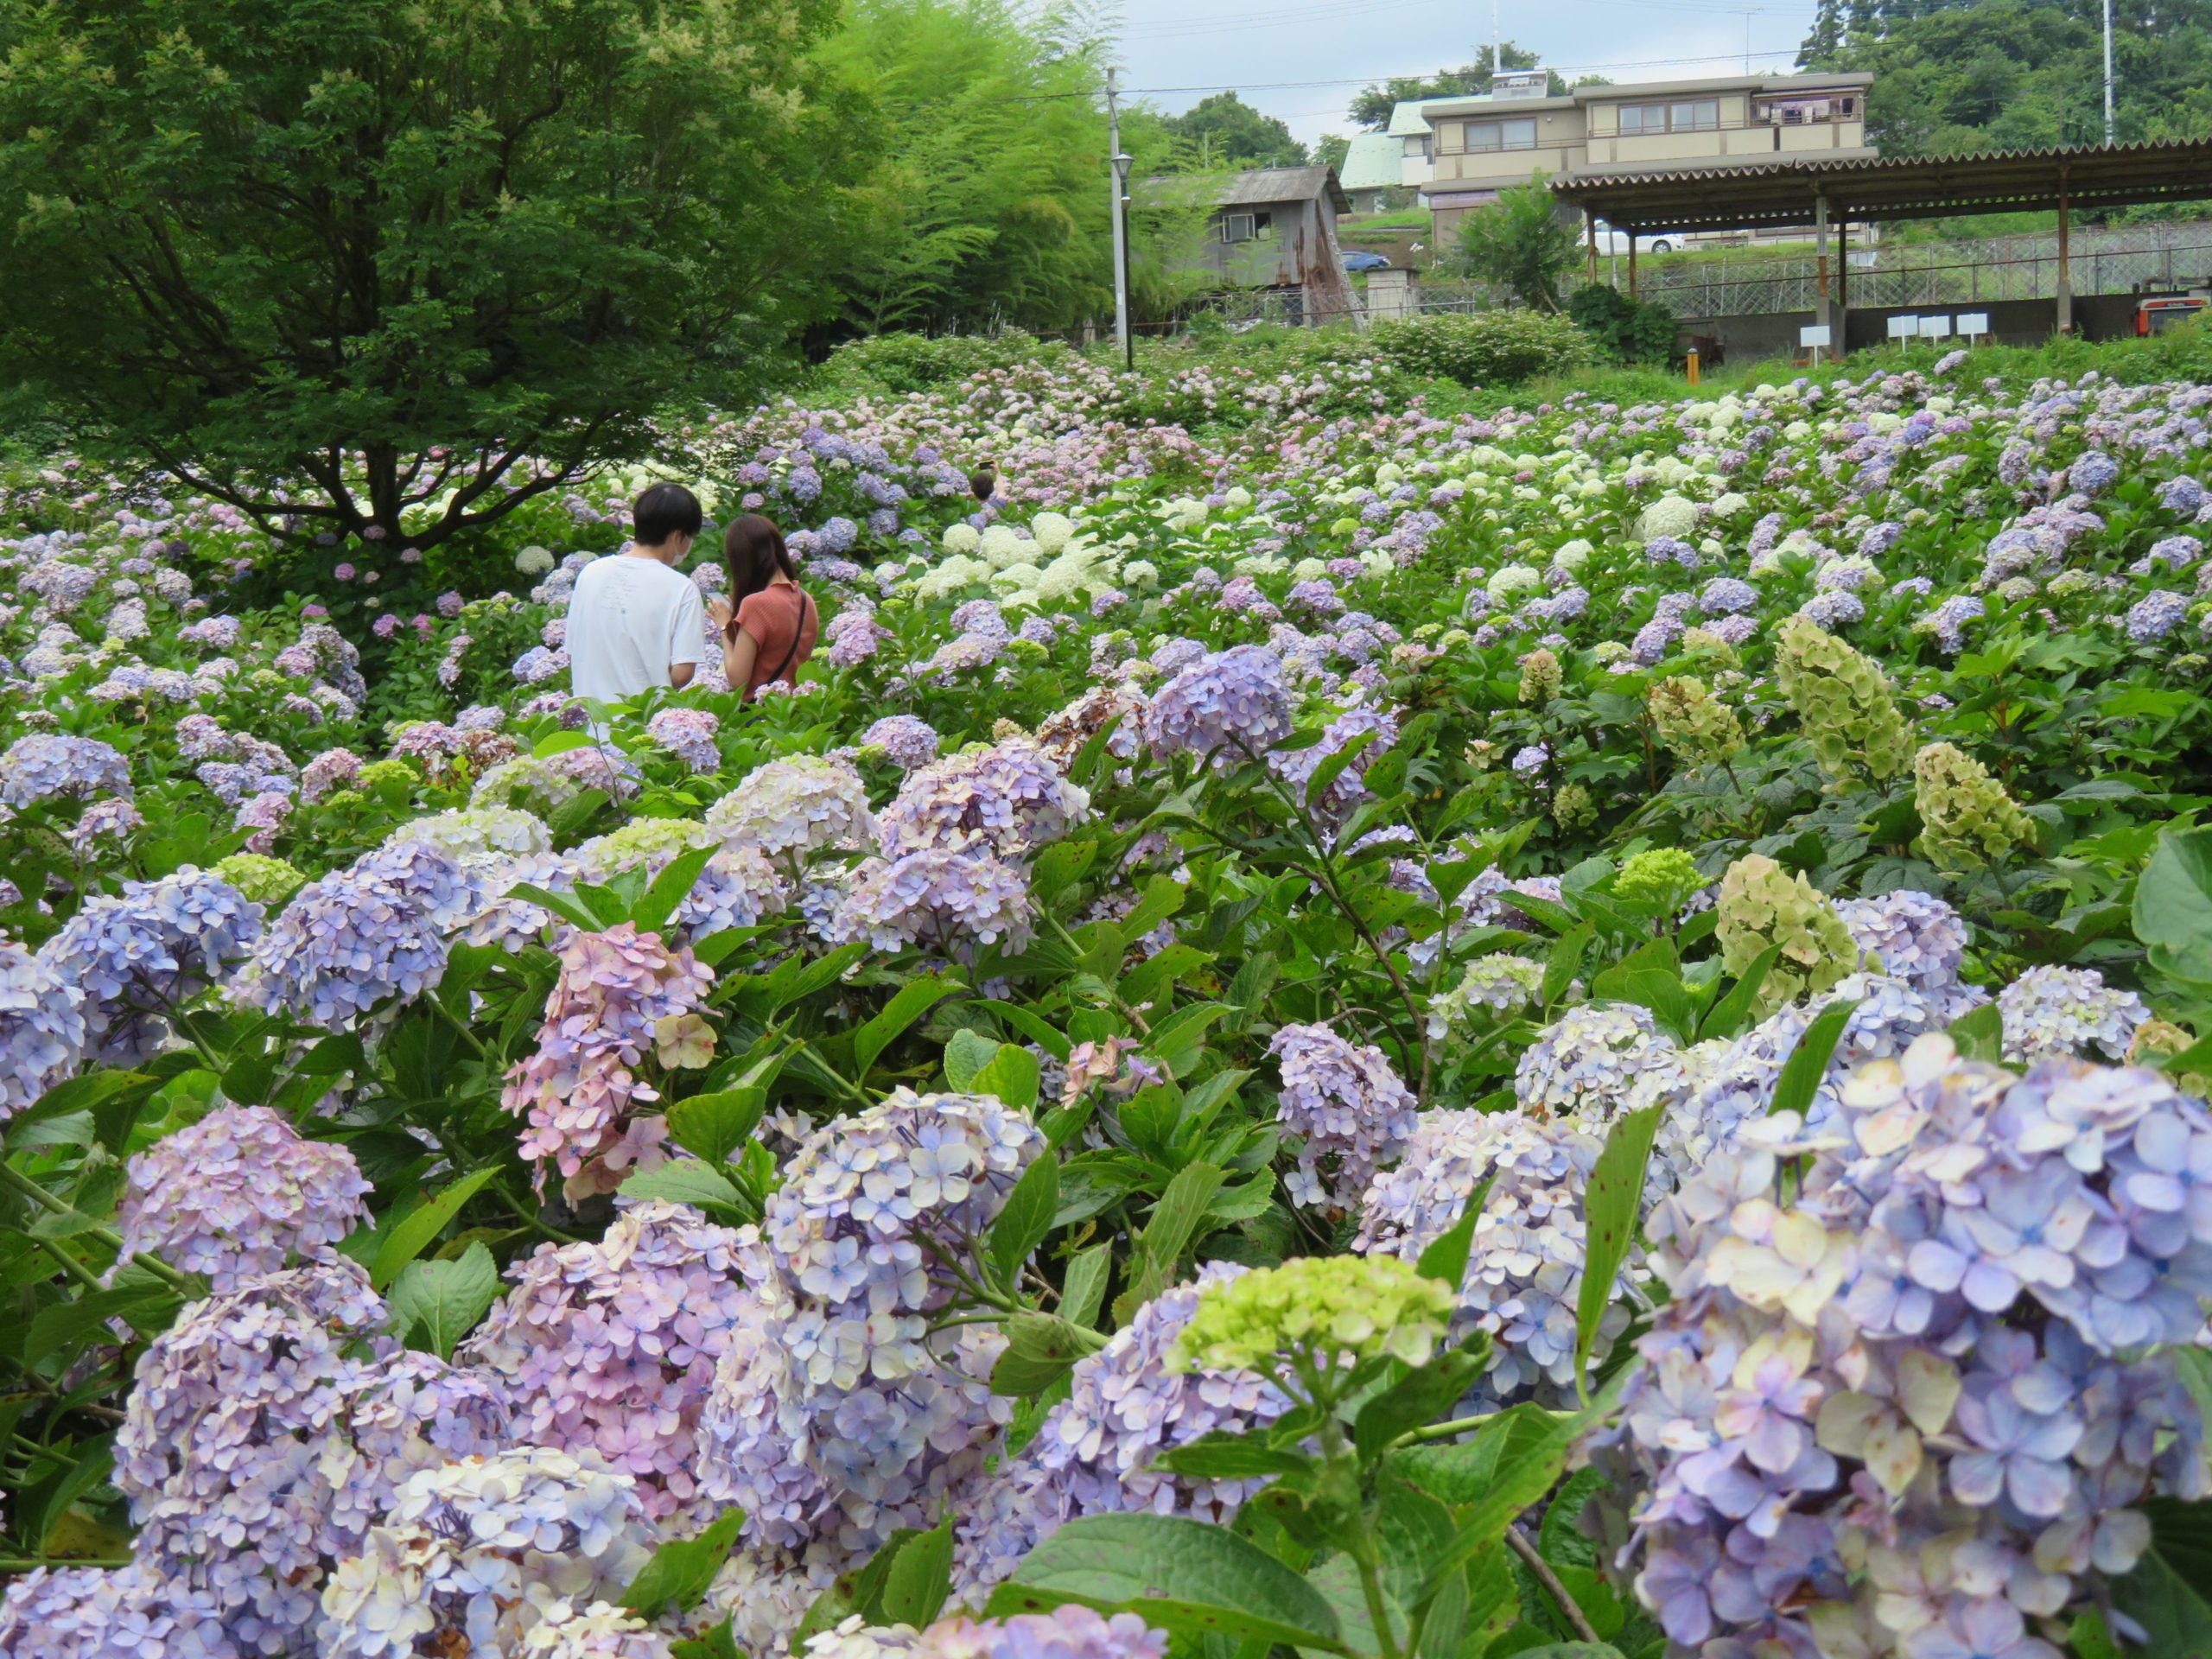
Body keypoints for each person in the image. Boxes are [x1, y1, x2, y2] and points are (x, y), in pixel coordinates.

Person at [564, 482, 708, 705]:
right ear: (678, 536)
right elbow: (682, 673)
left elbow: (572, 652)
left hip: (589, 723)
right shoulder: (682, 588)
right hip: (641, 726)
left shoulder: (591, 572)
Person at [707, 513, 817, 701]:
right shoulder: (807, 600)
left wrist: (725, 626)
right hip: (795, 711)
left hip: (761, 717)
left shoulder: (755, 605)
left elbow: (737, 679)